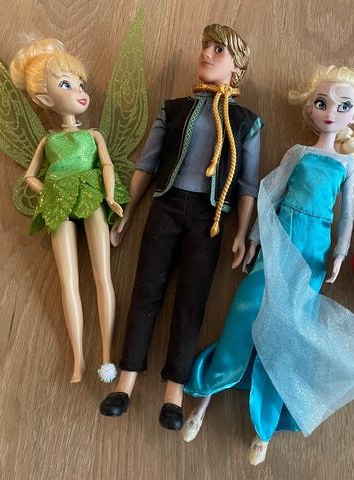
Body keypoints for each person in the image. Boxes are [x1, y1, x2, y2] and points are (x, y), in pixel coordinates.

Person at [182, 65, 354, 464]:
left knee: (287, 332)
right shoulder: (298, 153)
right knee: (245, 311)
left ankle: (262, 430)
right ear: (311, 107)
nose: (330, 113)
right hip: (280, 236)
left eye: (343, 106)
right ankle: (204, 400)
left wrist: (340, 253)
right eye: (322, 103)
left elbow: (348, 213)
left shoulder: (347, 163)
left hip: (314, 250)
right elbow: (271, 194)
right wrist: (253, 240)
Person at [99, 24, 263, 431]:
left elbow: (247, 184)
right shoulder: (173, 109)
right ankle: (126, 380)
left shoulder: (246, 122)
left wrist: (242, 232)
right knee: (146, 291)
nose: (206, 54)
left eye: (219, 50)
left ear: (237, 66)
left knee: (192, 301)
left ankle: (174, 389)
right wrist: (128, 212)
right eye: (205, 47)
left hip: (211, 219)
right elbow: (147, 163)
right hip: (166, 206)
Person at [9, 38, 130, 383]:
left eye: (80, 84)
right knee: (68, 281)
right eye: (66, 85)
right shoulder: (48, 141)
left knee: (102, 275)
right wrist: (47, 191)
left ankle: (106, 356)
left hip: (91, 195)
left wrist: (111, 196)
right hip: (58, 200)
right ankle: (78, 358)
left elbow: (107, 166)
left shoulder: (93, 135)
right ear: (46, 99)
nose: (79, 92)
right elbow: (29, 176)